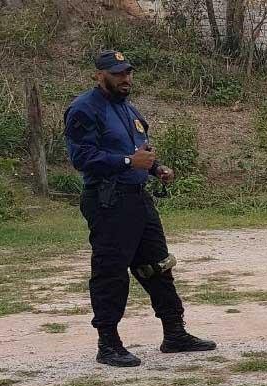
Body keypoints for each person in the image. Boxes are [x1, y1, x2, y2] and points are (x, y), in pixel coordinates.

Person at [63, 50, 216, 367]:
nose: (125, 78)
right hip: (107, 200)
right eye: (117, 73)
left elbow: (138, 151)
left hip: (137, 197)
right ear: (99, 75)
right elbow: (81, 158)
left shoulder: (129, 109)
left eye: (128, 72)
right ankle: (108, 344)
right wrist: (128, 162)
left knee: (158, 265)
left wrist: (155, 167)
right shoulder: (83, 109)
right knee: (111, 272)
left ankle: (174, 333)